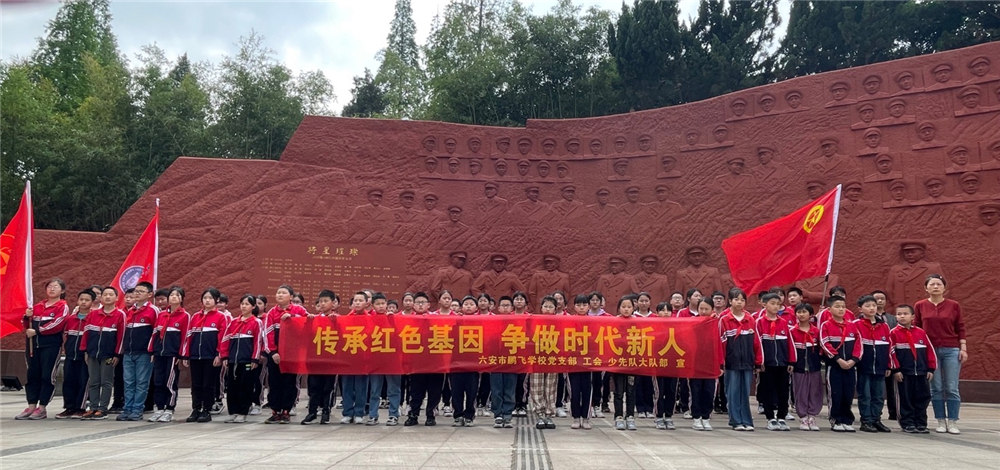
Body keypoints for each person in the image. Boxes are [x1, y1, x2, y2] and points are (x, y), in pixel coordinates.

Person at [913, 274, 966, 434]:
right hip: (930, 350)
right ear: (926, 288)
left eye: (939, 284)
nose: (935, 287)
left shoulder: (954, 305)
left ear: (944, 287)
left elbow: (960, 327)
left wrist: (963, 347)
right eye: (932, 284)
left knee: (951, 387)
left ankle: (953, 421)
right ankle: (941, 421)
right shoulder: (920, 305)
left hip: (951, 349)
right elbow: (917, 327)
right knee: (936, 387)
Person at [17, 278, 69, 420]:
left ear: (62, 291)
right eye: (49, 286)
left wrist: (38, 331)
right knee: (32, 375)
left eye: (55, 286)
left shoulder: (62, 306)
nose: (52, 289)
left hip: (50, 346)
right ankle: (31, 405)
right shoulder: (37, 306)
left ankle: (42, 407)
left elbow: (58, 324)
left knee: (47, 376)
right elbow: (26, 324)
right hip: (33, 346)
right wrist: (26, 317)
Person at [263, 285, 308, 424]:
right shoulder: (271, 313)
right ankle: (275, 412)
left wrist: (292, 317)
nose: (280, 295)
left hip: (292, 355)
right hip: (275, 355)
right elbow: (267, 333)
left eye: (283, 293)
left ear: (291, 297)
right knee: (274, 383)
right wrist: (273, 352)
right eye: (278, 292)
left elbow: (309, 321)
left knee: (289, 382)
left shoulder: (299, 310)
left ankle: (286, 411)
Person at [181, 288, 228, 423]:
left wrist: (219, 354)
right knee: (196, 384)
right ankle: (196, 408)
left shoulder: (221, 317)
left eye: (210, 298)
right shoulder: (195, 316)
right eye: (205, 298)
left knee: (208, 384)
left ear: (216, 300)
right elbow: (188, 336)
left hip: (211, 357)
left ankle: (206, 410)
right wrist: (186, 355)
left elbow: (223, 338)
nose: (207, 301)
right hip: (195, 356)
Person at [79, 287, 126, 420]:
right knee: (93, 381)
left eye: (111, 294)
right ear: (101, 298)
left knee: (106, 382)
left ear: (116, 298)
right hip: (92, 354)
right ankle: (93, 407)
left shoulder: (120, 315)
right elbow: (86, 333)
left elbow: (121, 336)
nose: (107, 297)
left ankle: (103, 408)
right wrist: (85, 350)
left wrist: (117, 354)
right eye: (105, 294)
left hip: (109, 355)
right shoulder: (93, 314)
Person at [718, 287, 761, 431]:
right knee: (733, 392)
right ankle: (736, 420)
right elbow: (720, 343)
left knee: (745, 392)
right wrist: (721, 363)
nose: (739, 302)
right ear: (730, 301)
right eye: (736, 299)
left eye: (742, 300)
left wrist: (758, 361)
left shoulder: (750, 319)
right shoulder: (724, 320)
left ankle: (747, 421)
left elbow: (756, 342)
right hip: (732, 363)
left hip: (748, 362)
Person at [890, 304, 937, 433]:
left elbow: (930, 351)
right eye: (899, 314)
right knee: (905, 398)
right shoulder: (893, 333)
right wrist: (896, 370)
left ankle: (921, 422)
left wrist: (930, 369)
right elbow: (891, 353)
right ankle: (907, 423)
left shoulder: (921, 332)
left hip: (921, 372)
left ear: (913, 317)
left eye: (905, 314)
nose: (902, 316)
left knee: (922, 398)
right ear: (896, 317)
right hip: (904, 373)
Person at [148, 286, 190, 423]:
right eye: (171, 295)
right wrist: (152, 351)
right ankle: (159, 408)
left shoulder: (185, 316)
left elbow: (185, 337)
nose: (174, 297)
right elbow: (155, 334)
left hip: (172, 354)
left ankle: (169, 409)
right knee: (158, 381)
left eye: (177, 295)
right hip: (159, 353)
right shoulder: (161, 315)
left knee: (169, 382)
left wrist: (181, 355)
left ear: (181, 299)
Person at [820, 295, 862, 432]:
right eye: (837, 306)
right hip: (835, 366)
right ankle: (836, 420)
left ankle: (846, 420)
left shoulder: (852, 325)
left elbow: (859, 344)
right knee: (835, 393)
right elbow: (825, 343)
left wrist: (853, 360)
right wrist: (838, 359)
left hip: (850, 366)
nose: (841, 309)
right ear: (829, 309)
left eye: (843, 307)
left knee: (848, 393)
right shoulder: (826, 325)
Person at [220, 294, 264, 423]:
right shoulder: (233, 322)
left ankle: (242, 412)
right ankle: (233, 411)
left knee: (245, 386)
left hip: (247, 361)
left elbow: (258, 342)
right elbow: (225, 340)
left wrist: (254, 359)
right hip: (233, 360)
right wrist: (225, 356)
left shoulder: (256, 322)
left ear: (253, 306)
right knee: (232, 387)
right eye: (242, 304)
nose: (244, 306)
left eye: (247, 304)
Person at [118, 281, 158, 421]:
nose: (137, 294)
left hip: (144, 353)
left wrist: (152, 350)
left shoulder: (153, 310)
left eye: (141, 291)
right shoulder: (130, 310)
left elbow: (156, 332)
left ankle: (137, 409)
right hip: (128, 352)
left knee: (141, 382)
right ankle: (127, 409)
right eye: (136, 291)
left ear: (149, 294)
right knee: (128, 382)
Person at [405, 292, 444, 426]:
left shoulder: (437, 318)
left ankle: (430, 415)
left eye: (423, 302)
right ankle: (413, 415)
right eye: (418, 302)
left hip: (435, 362)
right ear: (413, 305)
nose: (420, 305)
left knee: (434, 391)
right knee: (416, 391)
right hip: (417, 362)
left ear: (428, 305)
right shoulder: (407, 319)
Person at [854, 294, 892, 433]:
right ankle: (866, 421)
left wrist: (889, 365)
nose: (872, 308)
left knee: (879, 396)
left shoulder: (884, 326)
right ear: (860, 309)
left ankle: (876, 419)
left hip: (880, 366)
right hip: (863, 366)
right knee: (865, 395)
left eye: (874, 306)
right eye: (868, 306)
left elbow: (889, 346)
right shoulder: (855, 325)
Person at [755, 293, 792, 431]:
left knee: (783, 391)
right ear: (764, 305)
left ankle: (782, 417)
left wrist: (791, 361)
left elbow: (789, 343)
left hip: (782, 363)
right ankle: (770, 418)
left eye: (778, 304)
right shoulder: (759, 322)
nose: (776, 306)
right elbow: (757, 344)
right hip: (767, 364)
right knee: (767, 390)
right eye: (772, 303)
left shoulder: (783, 322)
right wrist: (759, 362)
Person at [302, 290, 338, 425]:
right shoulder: (314, 318)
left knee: (328, 387)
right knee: (314, 386)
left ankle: (326, 412)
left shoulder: (338, 319)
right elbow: (305, 335)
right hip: (315, 359)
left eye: (326, 301)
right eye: (321, 301)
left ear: (333, 303)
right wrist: (309, 323)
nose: (322, 304)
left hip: (331, 359)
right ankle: (312, 412)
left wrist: (335, 323)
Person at [56, 289, 93, 419]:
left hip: (85, 356)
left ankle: (80, 408)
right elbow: (66, 335)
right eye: (81, 299)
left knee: (83, 381)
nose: (83, 302)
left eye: (87, 300)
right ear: (77, 301)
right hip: (71, 355)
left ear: (92, 302)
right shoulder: (70, 319)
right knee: (68, 381)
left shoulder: (93, 318)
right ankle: (69, 407)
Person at [340, 291, 372, 424]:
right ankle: (347, 412)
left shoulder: (370, 318)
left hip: (363, 358)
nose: (357, 303)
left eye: (360, 300)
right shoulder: (346, 318)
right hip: (348, 357)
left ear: (366, 303)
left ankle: (359, 412)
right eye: (355, 301)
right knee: (347, 385)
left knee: (361, 386)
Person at [789, 303, 822, 431]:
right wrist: (791, 363)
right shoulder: (792, 331)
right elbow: (790, 349)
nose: (801, 314)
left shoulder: (816, 331)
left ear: (811, 315)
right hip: (799, 367)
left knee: (814, 391)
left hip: (814, 366)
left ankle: (812, 416)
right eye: (799, 312)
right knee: (800, 391)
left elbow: (821, 348)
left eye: (804, 312)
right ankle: (803, 417)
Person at [689, 299, 719, 431]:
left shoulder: (716, 322)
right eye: (701, 308)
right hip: (695, 363)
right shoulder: (692, 322)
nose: (703, 311)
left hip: (710, 363)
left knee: (709, 391)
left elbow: (720, 344)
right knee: (695, 391)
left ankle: (706, 417)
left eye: (706, 309)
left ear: (712, 309)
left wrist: (720, 364)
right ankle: (696, 418)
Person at [530, 296, 560, 429]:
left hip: (552, 359)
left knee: (550, 387)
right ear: (541, 308)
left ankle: (549, 414)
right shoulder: (534, 320)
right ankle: (539, 414)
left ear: (555, 309)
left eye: (551, 307)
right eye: (545, 306)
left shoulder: (560, 322)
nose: (548, 309)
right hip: (537, 358)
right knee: (537, 387)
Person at [566, 295, 593, 430]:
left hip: (589, 362)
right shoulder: (569, 321)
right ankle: (576, 417)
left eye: (584, 305)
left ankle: (586, 417)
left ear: (588, 306)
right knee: (574, 391)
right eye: (578, 305)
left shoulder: (594, 321)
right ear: (574, 306)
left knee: (587, 391)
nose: (581, 307)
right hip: (573, 362)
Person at [611, 295, 639, 431]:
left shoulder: (638, 322)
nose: (626, 309)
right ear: (619, 308)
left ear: (633, 308)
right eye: (623, 307)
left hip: (632, 363)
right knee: (619, 391)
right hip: (618, 362)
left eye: (629, 307)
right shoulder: (613, 322)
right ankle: (618, 416)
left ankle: (630, 416)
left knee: (631, 391)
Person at [490, 296, 517, 429]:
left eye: (508, 305)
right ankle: (498, 414)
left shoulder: (517, 322)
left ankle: (507, 414)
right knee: (496, 389)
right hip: (496, 361)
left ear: (512, 308)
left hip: (511, 361)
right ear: (498, 308)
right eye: (503, 305)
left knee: (509, 390)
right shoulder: (493, 322)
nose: (505, 308)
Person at [872, 289, 898, 420]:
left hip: (890, 355)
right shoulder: (864, 318)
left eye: (882, 298)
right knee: (877, 387)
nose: (880, 301)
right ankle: (876, 413)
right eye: (877, 299)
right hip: (874, 356)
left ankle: (893, 413)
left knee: (891, 386)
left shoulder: (893, 319)